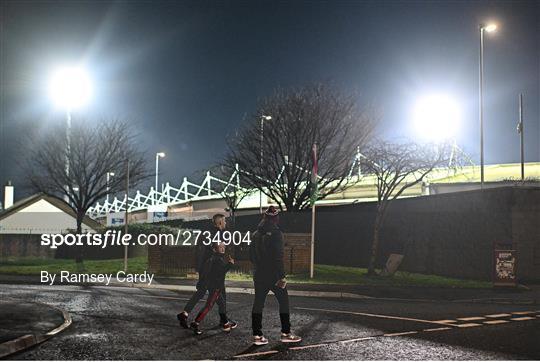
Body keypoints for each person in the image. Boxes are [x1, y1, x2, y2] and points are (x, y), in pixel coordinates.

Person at [249, 206, 301, 345]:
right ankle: (285, 333)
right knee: (284, 302)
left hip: (259, 274)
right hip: (273, 275)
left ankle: (257, 336)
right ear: (276, 218)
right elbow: (278, 257)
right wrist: (281, 276)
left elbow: (251, 256)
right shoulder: (277, 234)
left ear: (264, 218)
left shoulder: (255, 234)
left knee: (258, 303)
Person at [177, 214, 235, 332]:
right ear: (219, 223)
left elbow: (200, 251)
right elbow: (208, 254)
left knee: (203, 293)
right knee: (219, 294)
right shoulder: (214, 235)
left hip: (207, 270)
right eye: (224, 221)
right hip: (210, 271)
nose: (225, 223)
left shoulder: (208, 233)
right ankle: (223, 321)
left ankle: (185, 313)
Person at [189, 242, 237, 335]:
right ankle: (195, 323)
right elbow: (220, 272)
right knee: (208, 306)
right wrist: (230, 264)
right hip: (215, 287)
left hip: (215, 286)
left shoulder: (214, 258)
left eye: (224, 247)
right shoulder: (217, 259)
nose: (223, 249)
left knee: (222, 305)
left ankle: (225, 323)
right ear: (215, 249)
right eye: (220, 247)